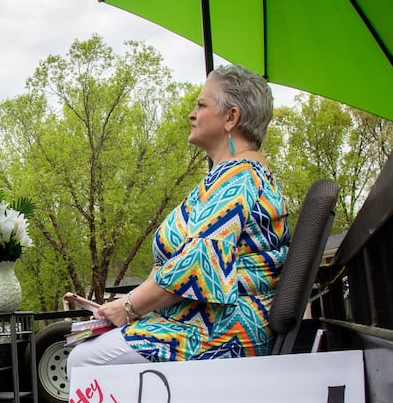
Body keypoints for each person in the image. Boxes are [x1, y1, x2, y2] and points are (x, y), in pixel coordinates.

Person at [67, 64, 290, 373]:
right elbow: (176, 260)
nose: (192, 114)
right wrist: (120, 306)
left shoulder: (240, 178)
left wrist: (128, 307)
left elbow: (197, 264)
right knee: (89, 349)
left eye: (201, 105)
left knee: (84, 361)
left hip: (221, 330)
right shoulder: (226, 176)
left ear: (231, 118)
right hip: (196, 321)